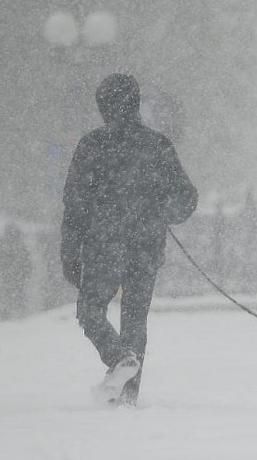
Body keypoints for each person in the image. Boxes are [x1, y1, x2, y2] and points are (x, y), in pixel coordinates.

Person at [61, 73, 198, 405]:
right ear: (136, 104)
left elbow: (74, 204)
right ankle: (128, 392)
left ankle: (117, 357)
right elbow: (187, 197)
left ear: (103, 107)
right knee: (135, 317)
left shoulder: (91, 146)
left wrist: (70, 251)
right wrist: (162, 212)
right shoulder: (157, 145)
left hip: (103, 246)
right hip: (146, 246)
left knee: (90, 310)